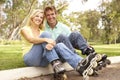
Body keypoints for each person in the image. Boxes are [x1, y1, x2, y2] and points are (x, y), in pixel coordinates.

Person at [20, 9, 98, 77]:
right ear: (32, 17)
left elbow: (52, 42)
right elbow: (31, 39)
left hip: (43, 61)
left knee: (59, 45)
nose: (39, 19)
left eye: (41, 17)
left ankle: (81, 65)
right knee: (46, 35)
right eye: (37, 16)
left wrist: (51, 44)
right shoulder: (25, 29)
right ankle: (56, 63)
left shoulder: (42, 31)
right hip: (30, 58)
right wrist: (46, 40)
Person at [44, 6, 108, 75]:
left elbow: (71, 41)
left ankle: (89, 52)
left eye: (52, 14)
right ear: (45, 16)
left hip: (67, 52)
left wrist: (85, 44)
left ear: (56, 14)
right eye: (48, 15)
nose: (50, 17)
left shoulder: (63, 27)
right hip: (56, 56)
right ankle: (80, 62)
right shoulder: (43, 28)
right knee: (62, 37)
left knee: (75, 34)